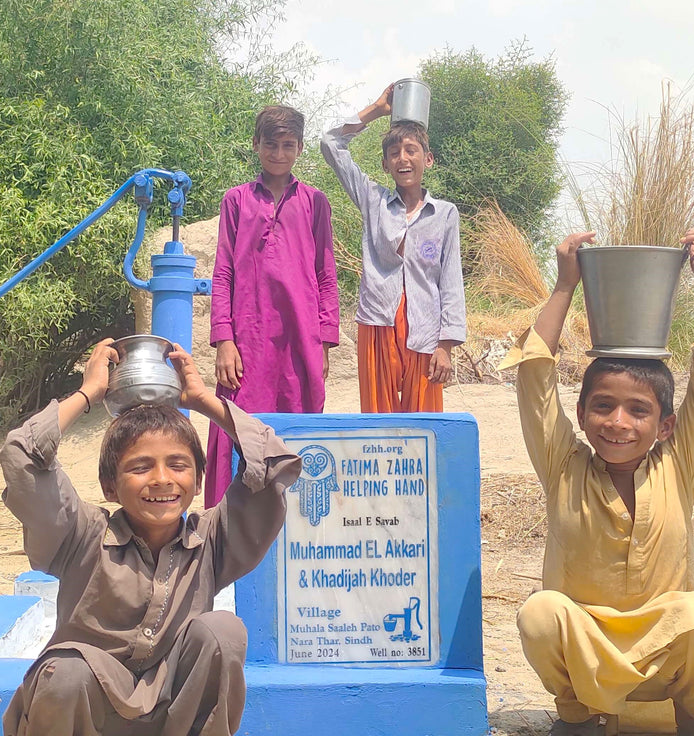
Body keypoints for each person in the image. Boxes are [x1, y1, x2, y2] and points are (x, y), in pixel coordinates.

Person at [500, 230, 694, 736]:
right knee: (541, 613)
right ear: (582, 413)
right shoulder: (563, 467)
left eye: (639, 411)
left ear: (666, 426)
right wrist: (565, 284)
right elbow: (534, 377)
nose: (618, 422)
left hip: (666, 654)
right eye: (603, 406)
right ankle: (577, 716)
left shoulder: (679, 467)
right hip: (587, 655)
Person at [0, 338, 302, 735]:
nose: (162, 479)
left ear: (198, 481)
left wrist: (202, 400)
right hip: (85, 714)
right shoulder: (80, 534)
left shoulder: (213, 541)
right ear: (110, 486)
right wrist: (88, 394)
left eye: (178, 465)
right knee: (67, 671)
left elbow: (276, 464)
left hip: (172, 717)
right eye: (141, 467)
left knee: (223, 631)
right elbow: (22, 454)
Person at [206, 104, 338, 506]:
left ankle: (295, 527)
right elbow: (224, 271)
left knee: (299, 425)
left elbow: (326, 275)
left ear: (299, 148)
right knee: (239, 426)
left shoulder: (316, 203)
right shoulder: (237, 201)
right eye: (270, 144)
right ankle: (228, 536)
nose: (278, 154)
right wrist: (224, 340)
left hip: (300, 338)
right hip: (248, 338)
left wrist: (325, 341)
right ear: (255, 145)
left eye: (287, 145)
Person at [320, 83, 466, 414]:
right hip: (377, 323)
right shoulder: (374, 201)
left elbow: (451, 282)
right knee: (378, 423)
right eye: (395, 153)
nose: (403, 159)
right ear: (385, 164)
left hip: (425, 328)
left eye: (412, 150)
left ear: (427, 159)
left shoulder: (444, 214)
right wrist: (376, 109)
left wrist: (446, 345)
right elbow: (331, 143)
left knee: (424, 425)